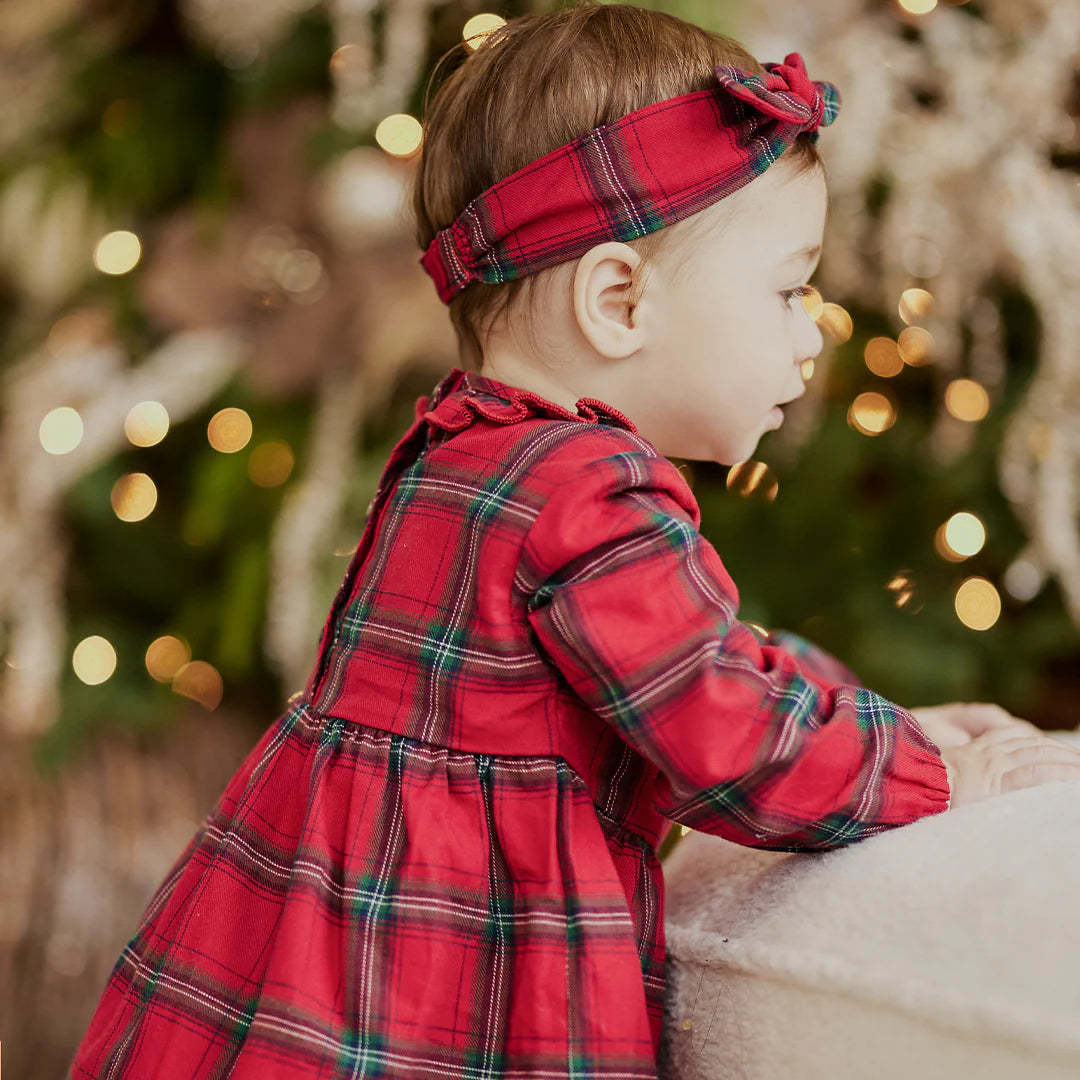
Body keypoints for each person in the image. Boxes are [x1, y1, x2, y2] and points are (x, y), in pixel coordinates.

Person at [68, 3, 1080, 1078]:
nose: (807, 336)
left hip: (308, 940)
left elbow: (703, 662)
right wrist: (938, 781)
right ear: (617, 300)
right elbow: (731, 742)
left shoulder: (458, 447)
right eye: (788, 290)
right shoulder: (593, 493)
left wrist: (880, 721)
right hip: (451, 969)